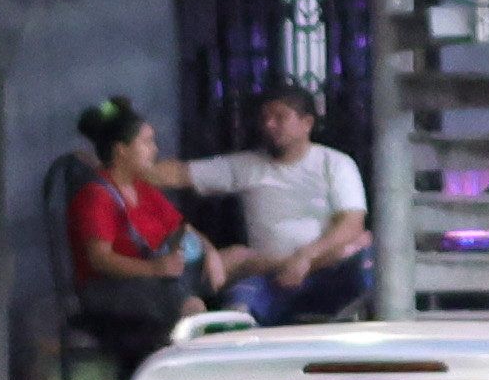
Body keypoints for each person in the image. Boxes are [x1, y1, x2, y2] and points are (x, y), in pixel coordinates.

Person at [142, 82, 373, 326]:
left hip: (328, 273)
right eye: (265, 117)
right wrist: (123, 166)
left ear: (307, 124)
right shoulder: (247, 166)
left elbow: (351, 224)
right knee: (238, 310)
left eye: (280, 117)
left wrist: (306, 258)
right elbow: (179, 174)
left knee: (367, 261)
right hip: (268, 278)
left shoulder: (335, 164)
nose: (269, 124)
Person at [67, 98, 228, 371]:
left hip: (155, 280)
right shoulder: (96, 195)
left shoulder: (142, 188)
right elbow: (100, 259)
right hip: (107, 290)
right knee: (187, 304)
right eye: (147, 142)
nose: (154, 150)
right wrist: (153, 268)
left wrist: (210, 252)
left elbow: (181, 227)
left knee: (218, 276)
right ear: (121, 151)